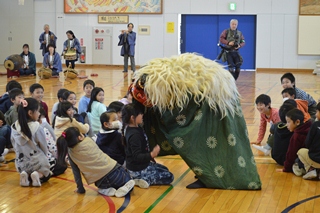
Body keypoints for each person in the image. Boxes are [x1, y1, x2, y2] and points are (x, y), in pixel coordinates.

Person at [56, 127, 135, 197]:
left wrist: (80, 189)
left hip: (102, 181)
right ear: (80, 137)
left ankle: (105, 190)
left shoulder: (71, 154)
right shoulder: (88, 140)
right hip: (114, 170)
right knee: (128, 179)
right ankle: (125, 185)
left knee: (105, 186)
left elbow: (76, 173)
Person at [122, 104, 174, 188]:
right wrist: (151, 154)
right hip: (138, 169)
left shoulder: (134, 128)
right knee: (169, 177)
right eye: (140, 114)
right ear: (132, 118)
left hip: (142, 164)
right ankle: (138, 179)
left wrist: (149, 157)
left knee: (165, 169)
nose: (142, 115)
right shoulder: (134, 135)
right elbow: (137, 156)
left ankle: (137, 177)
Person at [10, 98, 51, 186]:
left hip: (21, 163)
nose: (39, 114)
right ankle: (38, 175)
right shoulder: (37, 127)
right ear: (30, 113)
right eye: (38, 111)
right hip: (37, 162)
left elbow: (13, 143)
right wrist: (45, 155)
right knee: (47, 174)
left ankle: (25, 174)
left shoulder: (14, 127)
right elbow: (43, 144)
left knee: (26, 168)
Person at [276, 108, 312, 173]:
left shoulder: (296, 136)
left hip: (310, 160)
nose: (287, 125)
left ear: (297, 122)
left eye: (288, 122)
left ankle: (309, 169)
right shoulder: (311, 127)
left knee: (296, 164)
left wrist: (286, 169)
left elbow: (291, 154)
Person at [39, 107, 67, 176]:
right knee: (62, 166)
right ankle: (44, 174)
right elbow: (52, 148)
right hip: (44, 162)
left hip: (25, 164)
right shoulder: (43, 130)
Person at [296, 102, 320, 179]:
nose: (316, 113)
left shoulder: (315, 125)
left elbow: (307, 143)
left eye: (317, 111)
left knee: (301, 151)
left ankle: (310, 169)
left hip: (316, 159)